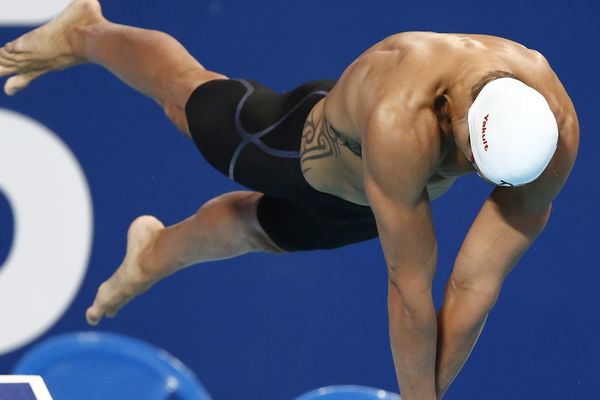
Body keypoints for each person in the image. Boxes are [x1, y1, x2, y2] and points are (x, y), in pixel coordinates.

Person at [0, 1, 579, 399]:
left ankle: (153, 253)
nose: (474, 175)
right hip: (301, 147)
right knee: (188, 98)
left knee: (260, 229)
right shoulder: (402, 117)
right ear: (458, 117)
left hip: (372, 204)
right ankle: (85, 30)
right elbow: (410, 292)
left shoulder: (552, 142)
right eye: (473, 162)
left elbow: (474, 285)